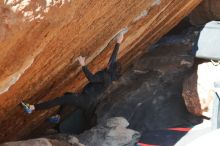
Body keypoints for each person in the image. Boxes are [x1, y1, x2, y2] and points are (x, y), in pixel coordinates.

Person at [22, 32, 124, 126]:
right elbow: (113, 60)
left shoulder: (105, 76)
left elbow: (92, 79)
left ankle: (31, 108)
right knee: (67, 95)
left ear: (110, 67)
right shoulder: (111, 76)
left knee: (61, 100)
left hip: (85, 100)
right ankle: (58, 117)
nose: (109, 62)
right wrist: (118, 42)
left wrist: (83, 65)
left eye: (110, 64)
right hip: (88, 102)